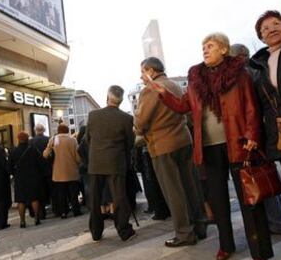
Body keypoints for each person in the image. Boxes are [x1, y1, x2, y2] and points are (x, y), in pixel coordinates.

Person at [147, 34, 273, 260]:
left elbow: (251, 107)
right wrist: (162, 93)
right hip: (208, 148)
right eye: (203, 47)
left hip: (238, 144)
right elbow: (184, 105)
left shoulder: (240, 74)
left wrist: (253, 135)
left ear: (224, 49)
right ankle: (226, 245)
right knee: (218, 200)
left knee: (249, 200)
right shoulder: (196, 79)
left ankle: (259, 252)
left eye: (210, 46)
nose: (205, 50)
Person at [134, 57, 207, 248]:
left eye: (142, 72)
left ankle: (184, 233)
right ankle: (200, 226)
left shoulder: (150, 89)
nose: (141, 77)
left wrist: (137, 126)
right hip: (183, 140)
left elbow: (141, 122)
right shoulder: (175, 85)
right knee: (191, 185)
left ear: (150, 71)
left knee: (173, 191)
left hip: (162, 145)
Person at [232, 39, 281, 235]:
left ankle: (275, 222)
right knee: (267, 175)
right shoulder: (256, 71)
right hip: (264, 132)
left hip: (254, 135)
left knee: (260, 178)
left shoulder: (245, 76)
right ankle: (277, 220)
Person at [86, 85, 136, 241]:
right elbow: (129, 144)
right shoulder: (126, 118)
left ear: (107, 97)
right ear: (120, 101)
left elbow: (88, 139)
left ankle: (96, 232)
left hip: (96, 162)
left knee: (94, 198)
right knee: (119, 197)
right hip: (116, 162)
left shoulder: (93, 115)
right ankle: (123, 230)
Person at [44, 124, 82, 218]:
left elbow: (45, 154)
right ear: (67, 130)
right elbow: (77, 156)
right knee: (73, 193)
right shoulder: (72, 140)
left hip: (58, 172)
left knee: (61, 194)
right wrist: (78, 162)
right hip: (72, 170)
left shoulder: (53, 139)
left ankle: (64, 212)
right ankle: (76, 211)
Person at [10, 132, 42, 227]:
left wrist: (15, 174)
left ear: (18, 139)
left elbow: (9, 167)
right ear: (27, 139)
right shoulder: (33, 149)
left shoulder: (14, 151)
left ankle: (22, 221)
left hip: (20, 179)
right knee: (34, 198)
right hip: (32, 177)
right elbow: (40, 162)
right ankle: (36, 218)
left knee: (21, 200)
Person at [29, 124, 51, 219]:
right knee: (51, 189)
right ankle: (57, 209)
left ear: (35, 130)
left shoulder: (31, 141)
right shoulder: (48, 139)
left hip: (36, 170)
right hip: (48, 168)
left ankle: (41, 213)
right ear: (44, 130)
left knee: (39, 192)